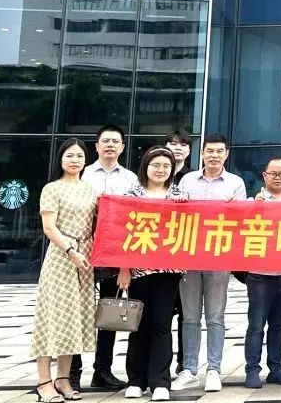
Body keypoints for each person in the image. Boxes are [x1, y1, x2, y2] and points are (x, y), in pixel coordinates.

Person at [172, 134, 246, 393]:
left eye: (219, 151)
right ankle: (189, 369)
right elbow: (176, 215)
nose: (214, 155)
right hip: (190, 256)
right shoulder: (187, 180)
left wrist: (236, 208)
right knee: (190, 317)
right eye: (209, 151)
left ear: (226, 154)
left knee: (215, 317)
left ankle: (214, 369)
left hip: (219, 256)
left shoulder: (235, 183)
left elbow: (242, 221)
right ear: (202, 153)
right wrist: (178, 204)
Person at [117, 147, 188, 401]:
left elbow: (191, 227)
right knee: (139, 324)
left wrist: (184, 207)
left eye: (166, 166)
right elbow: (121, 233)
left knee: (161, 324)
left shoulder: (180, 195)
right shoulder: (131, 195)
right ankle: (136, 380)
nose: (161, 170)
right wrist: (124, 268)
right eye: (156, 165)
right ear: (145, 166)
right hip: (138, 271)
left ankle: (160, 382)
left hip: (168, 271)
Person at [32, 139, 97, 403]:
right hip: (61, 258)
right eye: (69, 155)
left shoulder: (90, 189)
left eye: (79, 156)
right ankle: (44, 382)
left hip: (86, 259)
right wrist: (71, 251)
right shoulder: (52, 188)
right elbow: (49, 227)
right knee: (51, 318)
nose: (75, 160)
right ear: (60, 159)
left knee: (74, 319)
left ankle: (63, 379)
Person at [71, 124, 134, 392]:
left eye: (115, 141)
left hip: (114, 253)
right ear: (96, 146)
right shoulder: (81, 174)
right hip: (83, 250)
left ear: (122, 147)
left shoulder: (131, 179)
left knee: (110, 310)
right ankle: (72, 372)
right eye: (105, 141)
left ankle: (103, 371)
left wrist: (126, 263)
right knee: (77, 310)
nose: (110, 145)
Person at [243, 158, 281, 389]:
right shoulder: (252, 202)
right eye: (273, 173)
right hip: (259, 274)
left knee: (279, 325)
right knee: (256, 325)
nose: (277, 177)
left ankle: (276, 369)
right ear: (264, 176)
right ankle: (252, 370)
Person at [164, 129, 191, 375]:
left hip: (184, 257)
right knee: (158, 317)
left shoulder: (192, 179)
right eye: (173, 144)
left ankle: (184, 363)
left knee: (186, 314)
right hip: (156, 257)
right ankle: (158, 366)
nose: (178, 148)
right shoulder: (152, 177)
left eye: (183, 144)